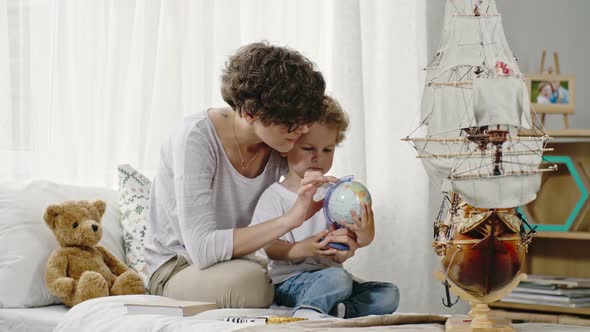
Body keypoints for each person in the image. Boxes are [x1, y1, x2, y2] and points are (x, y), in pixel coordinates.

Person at [143, 41, 333, 308]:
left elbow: (311, 182)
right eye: (290, 121)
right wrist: (291, 219)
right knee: (253, 286)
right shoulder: (195, 138)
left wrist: (343, 229)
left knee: (334, 279)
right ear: (249, 113)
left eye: (304, 119)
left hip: (241, 263)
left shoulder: (282, 140)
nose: (301, 129)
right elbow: (202, 249)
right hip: (177, 267)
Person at [250, 96, 399, 319]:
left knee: (388, 293)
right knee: (337, 279)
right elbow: (269, 247)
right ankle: (309, 312)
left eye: (328, 150)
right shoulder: (275, 195)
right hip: (289, 283)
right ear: (286, 147)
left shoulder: (338, 195)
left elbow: (360, 240)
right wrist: (306, 248)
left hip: (331, 277)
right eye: (308, 148)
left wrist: (358, 237)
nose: (318, 157)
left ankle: (337, 310)